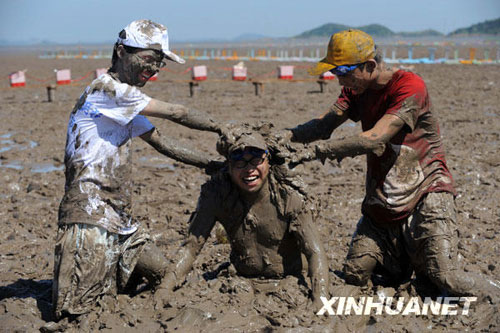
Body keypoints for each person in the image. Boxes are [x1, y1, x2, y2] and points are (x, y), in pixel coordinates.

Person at [280, 29, 497, 298]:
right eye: (335, 73)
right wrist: (282, 137)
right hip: (385, 199)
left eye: (344, 72)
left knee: (447, 277)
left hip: (426, 190)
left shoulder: (409, 86)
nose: (340, 82)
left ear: (370, 65)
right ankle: (406, 262)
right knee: (356, 274)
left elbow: (375, 138)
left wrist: (315, 153)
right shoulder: (355, 90)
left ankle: (493, 296)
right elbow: (324, 125)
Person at [52, 19, 224, 320]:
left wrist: (212, 166)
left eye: (159, 63)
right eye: (148, 59)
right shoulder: (107, 90)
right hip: (89, 218)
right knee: (78, 313)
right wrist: (223, 127)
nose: (154, 68)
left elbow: (162, 142)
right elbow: (177, 112)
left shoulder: (125, 106)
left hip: (120, 219)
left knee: (167, 277)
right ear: (121, 51)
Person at [156, 126, 329, 309]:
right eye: (240, 162)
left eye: (256, 160)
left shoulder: (288, 197)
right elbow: (190, 248)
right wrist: (164, 289)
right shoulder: (217, 195)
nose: (249, 169)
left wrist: (321, 298)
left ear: (268, 162)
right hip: (239, 281)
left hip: (288, 281)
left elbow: (314, 252)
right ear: (229, 167)